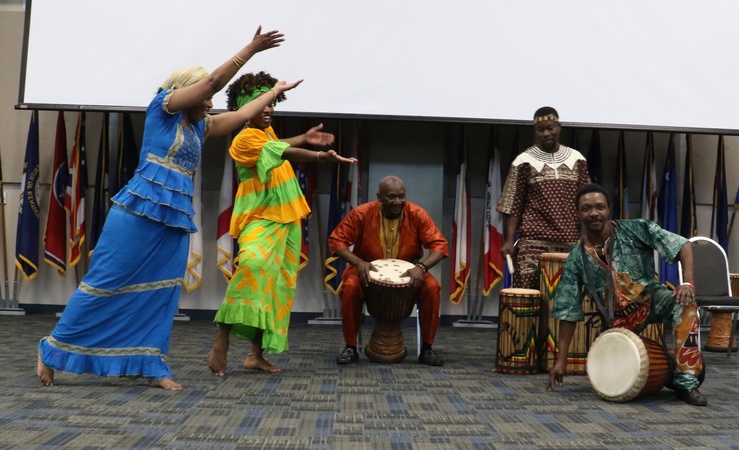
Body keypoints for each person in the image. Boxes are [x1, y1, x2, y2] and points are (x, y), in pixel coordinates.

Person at [37, 26, 295, 390]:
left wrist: (274, 92)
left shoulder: (199, 129)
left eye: (209, 97)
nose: (211, 101)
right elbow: (210, 86)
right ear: (184, 91)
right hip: (137, 212)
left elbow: (240, 115)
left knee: (162, 291)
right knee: (104, 282)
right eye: (205, 95)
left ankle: (151, 364)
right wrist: (250, 49)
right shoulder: (162, 107)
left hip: (174, 219)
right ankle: (51, 350)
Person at [208, 71, 357, 377]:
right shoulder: (242, 139)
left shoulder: (266, 134)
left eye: (271, 103)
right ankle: (222, 337)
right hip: (261, 218)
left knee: (276, 286)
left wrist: (303, 137)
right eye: (259, 104)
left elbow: (278, 145)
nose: (268, 109)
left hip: (287, 219)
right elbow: (284, 153)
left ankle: (255, 355)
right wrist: (318, 155)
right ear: (243, 108)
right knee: (251, 269)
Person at [546, 184, 707, 406]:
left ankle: (687, 383)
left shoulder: (636, 229)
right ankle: (668, 367)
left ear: (608, 209)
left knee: (686, 306)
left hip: (652, 300)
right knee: (610, 381)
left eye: (600, 207)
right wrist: (561, 360)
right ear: (578, 213)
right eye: (587, 208)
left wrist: (687, 283)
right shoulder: (576, 257)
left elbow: (682, 245)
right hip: (616, 322)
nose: (594, 213)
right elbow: (568, 310)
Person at [328, 176, 449, 366]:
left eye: (401, 197)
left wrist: (422, 267)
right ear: (380, 198)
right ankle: (350, 347)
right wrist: (358, 262)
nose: (397, 202)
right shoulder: (362, 213)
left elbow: (440, 245)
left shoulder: (417, 214)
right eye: (391, 197)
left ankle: (427, 349)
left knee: (432, 287)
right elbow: (336, 240)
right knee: (350, 287)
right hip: (366, 266)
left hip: (410, 268)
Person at [498, 107, 590, 289]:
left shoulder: (577, 159)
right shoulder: (523, 161)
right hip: (533, 243)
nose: (546, 133)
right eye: (541, 130)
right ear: (535, 131)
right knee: (530, 299)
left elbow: (587, 202)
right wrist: (509, 240)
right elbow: (512, 205)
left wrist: (589, 238)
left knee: (569, 300)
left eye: (550, 128)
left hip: (570, 240)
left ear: (559, 127)